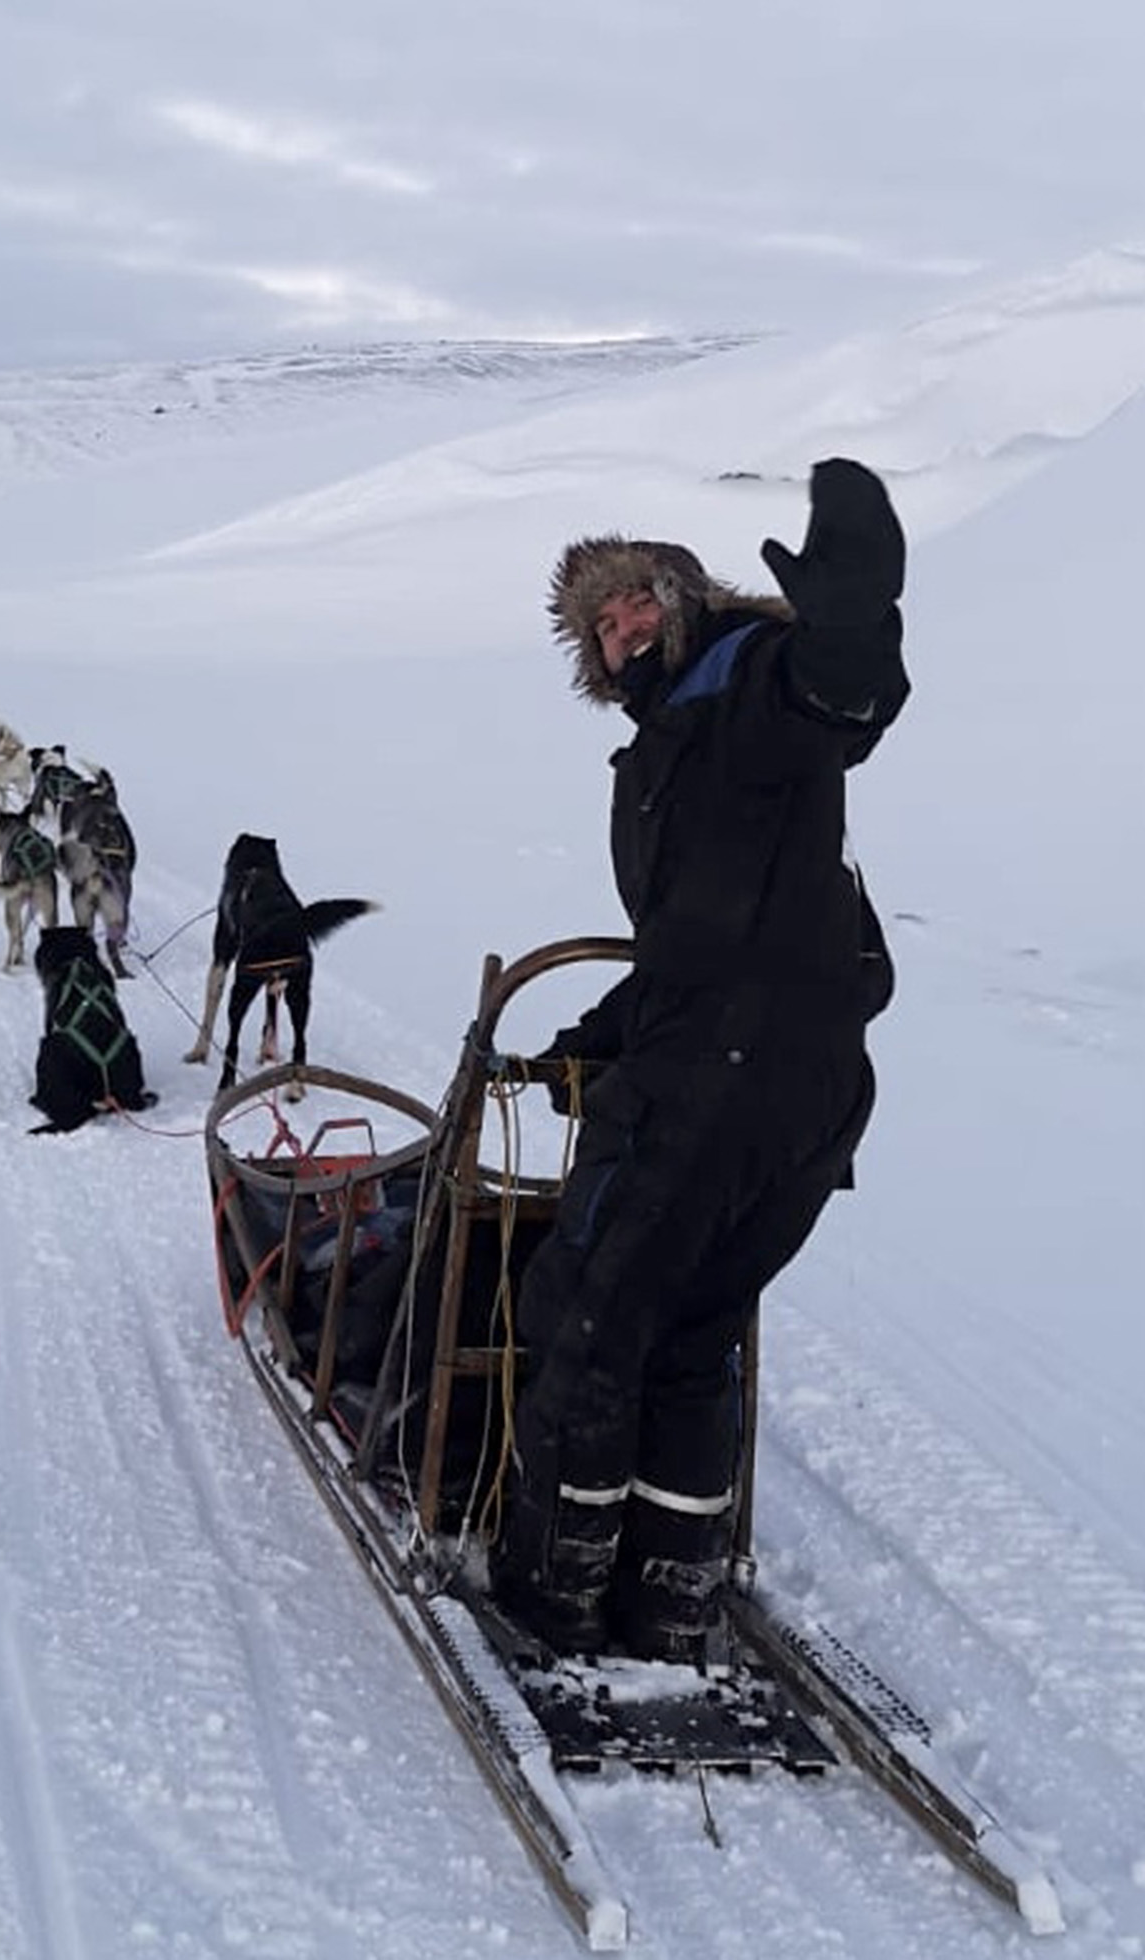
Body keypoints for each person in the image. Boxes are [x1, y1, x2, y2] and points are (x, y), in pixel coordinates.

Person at [492, 458, 909, 1664]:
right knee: (689, 1331)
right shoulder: (681, 732)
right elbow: (710, 937)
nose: (624, 631)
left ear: (680, 593)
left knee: (583, 1313)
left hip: (718, 1087)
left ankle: (551, 1599)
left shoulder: (745, 678)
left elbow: (840, 698)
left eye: (634, 602)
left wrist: (851, 620)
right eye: (602, 626)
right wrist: (598, 1037)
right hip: (804, 1080)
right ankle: (670, 1595)